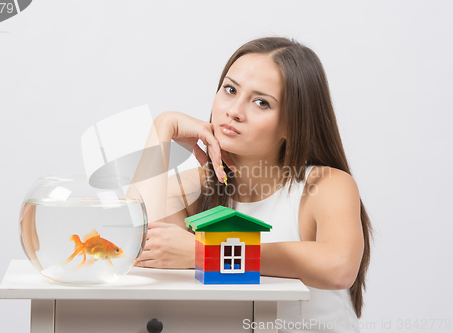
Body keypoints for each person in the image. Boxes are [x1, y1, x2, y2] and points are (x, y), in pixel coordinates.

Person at [133, 36, 372, 332]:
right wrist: (162, 128)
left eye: (261, 102)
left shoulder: (324, 184)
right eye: (230, 90)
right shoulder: (197, 185)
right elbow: (139, 245)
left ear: (292, 123)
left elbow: (338, 266)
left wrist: (204, 252)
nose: (233, 111)